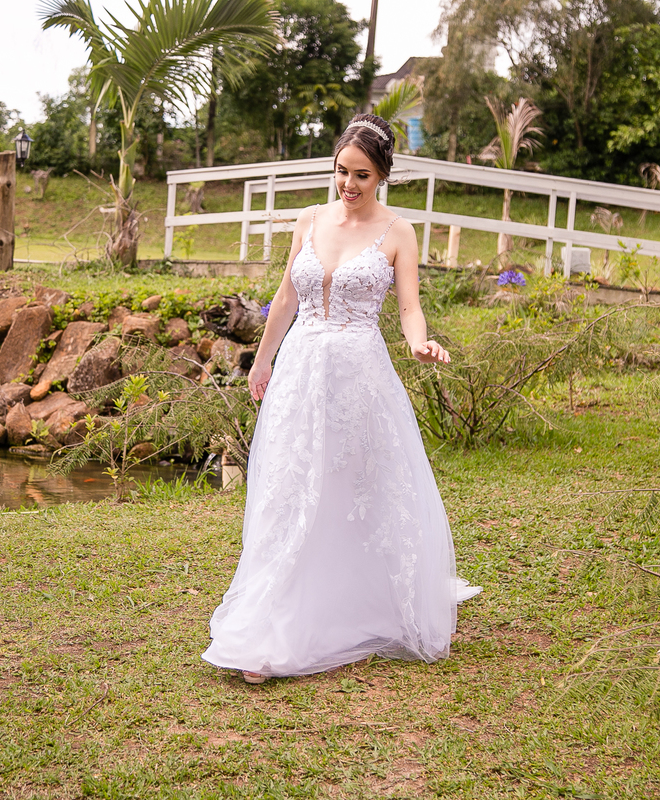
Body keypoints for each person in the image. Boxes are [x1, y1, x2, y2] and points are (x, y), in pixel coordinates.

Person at [202, 113, 480, 684]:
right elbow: (284, 299)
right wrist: (262, 359)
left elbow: (408, 308)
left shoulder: (398, 232)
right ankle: (273, 617)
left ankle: (358, 599)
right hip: (300, 371)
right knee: (290, 484)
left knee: (353, 483)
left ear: (381, 177)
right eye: (341, 171)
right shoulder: (309, 220)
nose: (348, 185)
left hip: (359, 375)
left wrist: (420, 343)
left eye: (361, 175)